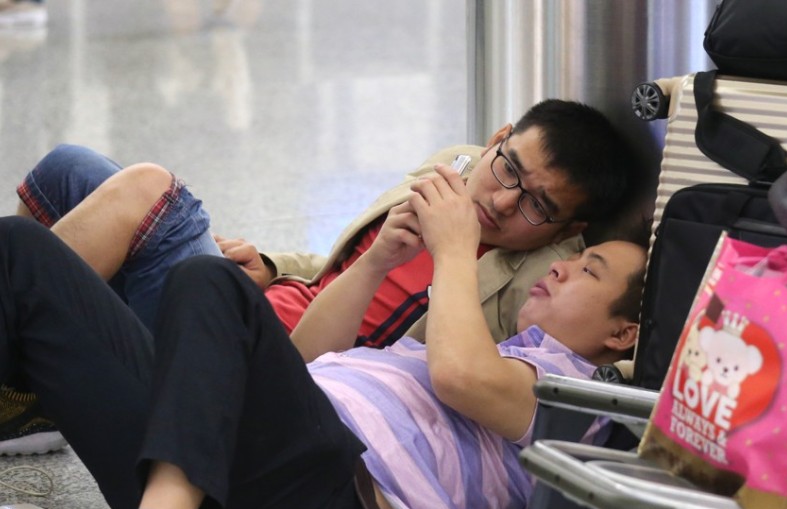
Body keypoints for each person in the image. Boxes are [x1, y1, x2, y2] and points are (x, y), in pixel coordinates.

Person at [3, 160, 648, 509]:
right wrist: (376, 263)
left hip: (311, 500)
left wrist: (456, 249)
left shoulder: (578, 398)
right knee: (20, 250)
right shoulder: (499, 346)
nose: (563, 272)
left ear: (624, 336)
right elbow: (302, 356)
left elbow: (460, 377)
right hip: (216, 464)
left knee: (207, 280)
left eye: (587, 271)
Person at [2, 99, 647, 454]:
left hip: (258, 362)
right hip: (267, 300)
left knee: (148, 187)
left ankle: (23, 378)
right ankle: (36, 392)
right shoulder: (451, 168)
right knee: (71, 166)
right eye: (508, 169)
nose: (503, 201)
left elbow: (477, 376)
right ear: (496, 140)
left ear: (565, 234)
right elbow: (350, 262)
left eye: (538, 205)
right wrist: (276, 266)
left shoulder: (536, 279)